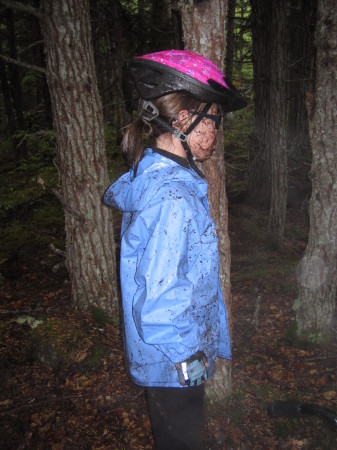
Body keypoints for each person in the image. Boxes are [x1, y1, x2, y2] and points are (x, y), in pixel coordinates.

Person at [104, 49, 246, 450]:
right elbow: (161, 295)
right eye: (212, 121)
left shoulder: (159, 176)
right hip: (174, 362)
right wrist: (190, 360)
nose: (215, 134)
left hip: (168, 357)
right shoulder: (173, 197)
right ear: (183, 120)